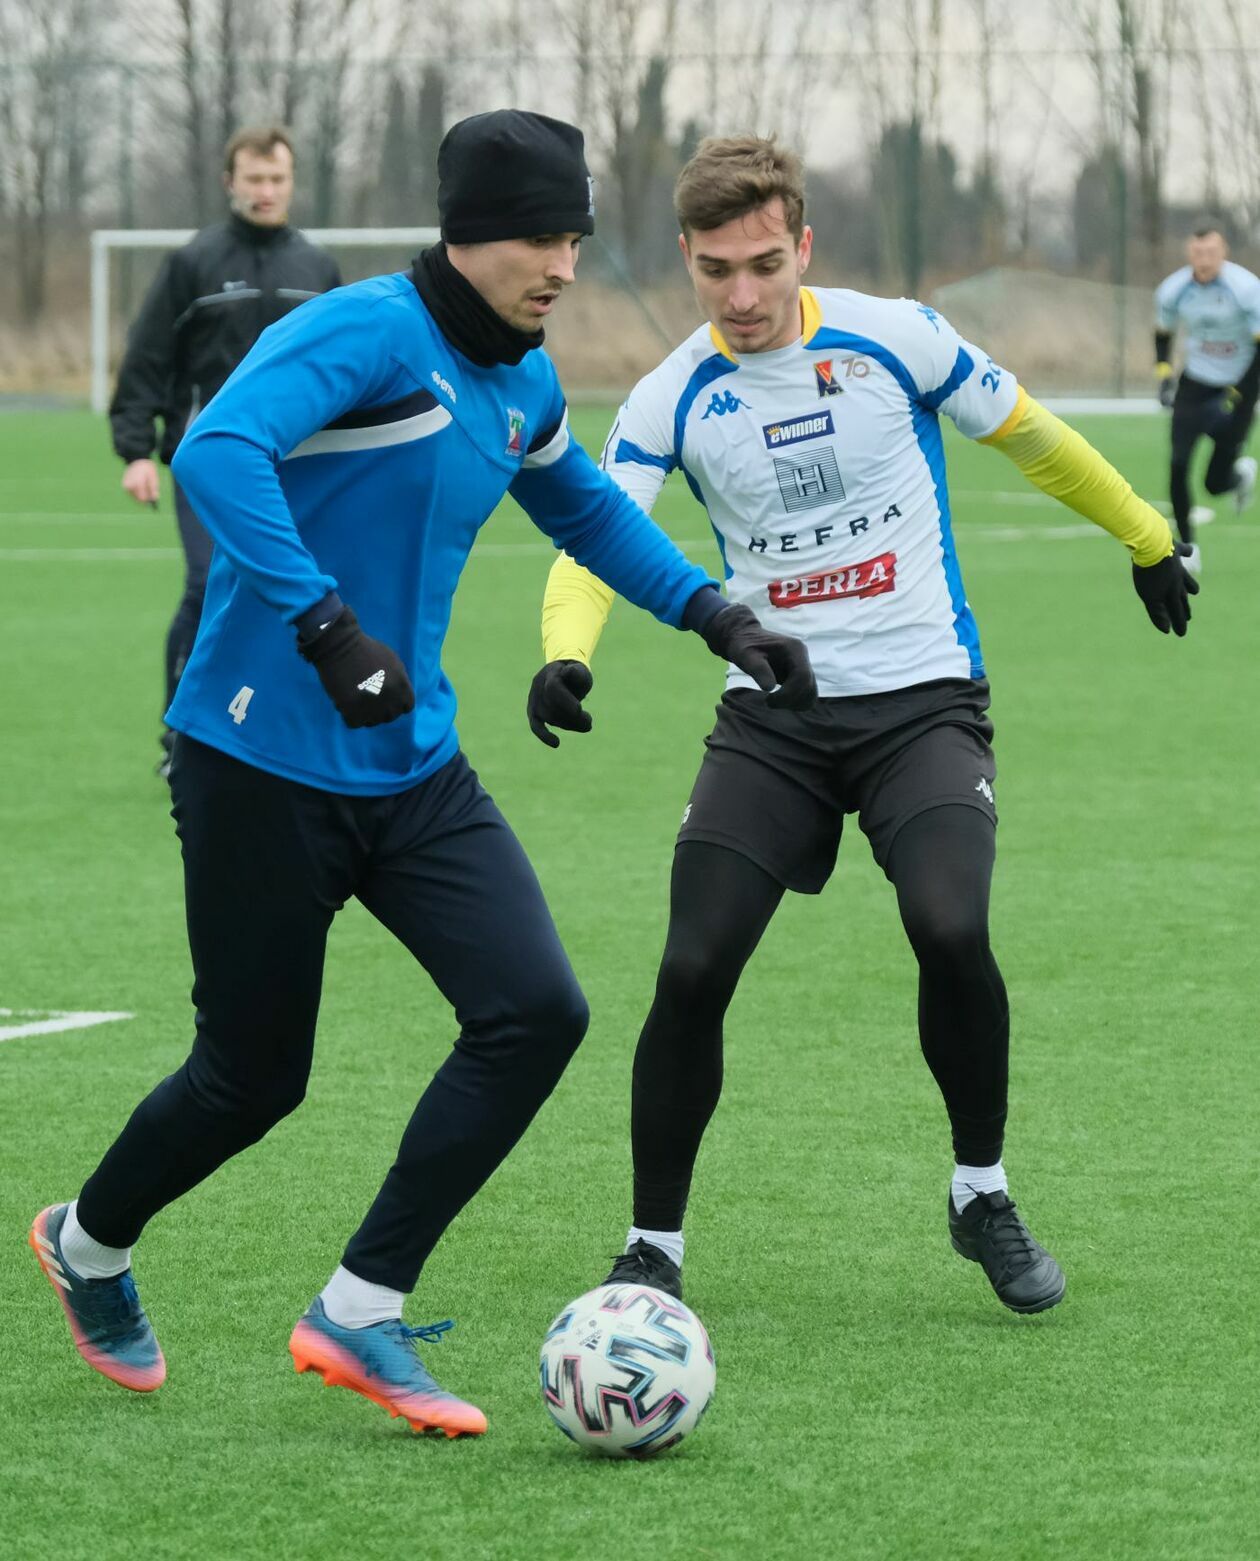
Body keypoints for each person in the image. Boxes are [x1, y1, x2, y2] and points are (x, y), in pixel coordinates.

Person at [28, 112, 813, 1436]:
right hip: (257, 757)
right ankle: (88, 1244)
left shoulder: (521, 380)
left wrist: (713, 612)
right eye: (537, 238)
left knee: (536, 1009)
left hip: (413, 762)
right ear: (465, 233)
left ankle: (361, 1304)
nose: (560, 264)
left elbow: (580, 507)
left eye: (572, 236)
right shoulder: (366, 332)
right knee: (250, 1077)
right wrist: (327, 630)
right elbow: (219, 452)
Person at [529, 135, 1199, 1318]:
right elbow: (593, 533)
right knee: (691, 964)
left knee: (950, 926)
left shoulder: (896, 338)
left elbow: (1032, 434)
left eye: (763, 264)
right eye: (716, 270)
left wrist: (1146, 533)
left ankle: (980, 1192)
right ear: (684, 256)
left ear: (803, 247)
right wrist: (565, 655)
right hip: (773, 721)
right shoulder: (671, 395)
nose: (741, 296)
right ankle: (651, 1246)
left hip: (923, 702)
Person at [108, 126, 342, 776]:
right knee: (206, 584)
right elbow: (149, 357)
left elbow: (346, 369)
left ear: (291, 183)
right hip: (209, 462)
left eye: (277, 179)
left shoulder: (317, 268)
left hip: (299, 466)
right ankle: (182, 735)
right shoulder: (194, 263)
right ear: (230, 181)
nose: (266, 191)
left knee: (297, 591)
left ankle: (276, 731)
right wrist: (135, 450)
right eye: (254, 179)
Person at [1154, 222, 1260, 570]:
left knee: (1215, 484)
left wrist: (1238, 391)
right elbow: (1163, 333)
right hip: (1195, 384)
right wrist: (1164, 375)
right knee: (1177, 464)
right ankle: (1188, 549)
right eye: (1198, 252)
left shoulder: (1245, 289)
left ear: (1223, 253)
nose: (1204, 259)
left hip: (1241, 386)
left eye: (1211, 252)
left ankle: (1238, 474)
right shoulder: (1174, 289)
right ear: (1189, 254)